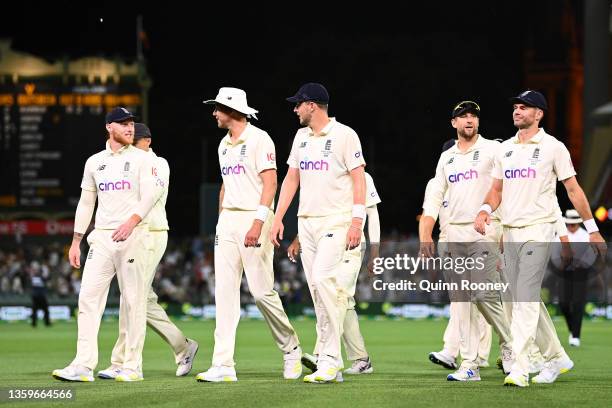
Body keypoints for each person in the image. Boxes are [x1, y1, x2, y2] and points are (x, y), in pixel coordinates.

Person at [474, 90, 607, 387]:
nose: (517, 111)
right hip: (509, 230)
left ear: (539, 114)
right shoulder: (504, 149)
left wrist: (592, 228)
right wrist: (484, 210)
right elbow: (496, 190)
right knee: (514, 299)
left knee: (523, 296)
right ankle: (557, 356)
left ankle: (521, 368)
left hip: (539, 228)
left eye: (525, 108)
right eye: (516, 107)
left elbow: (573, 190)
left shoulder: (553, 147)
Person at [196, 87, 302, 383]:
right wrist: (220, 221)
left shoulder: (259, 139)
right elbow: (225, 186)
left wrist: (257, 223)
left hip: (254, 218)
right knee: (224, 294)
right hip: (228, 221)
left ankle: (291, 349)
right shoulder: (222, 144)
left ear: (231, 110)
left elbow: (271, 183)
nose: (214, 113)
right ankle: (223, 365)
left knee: (260, 292)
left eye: (217, 108)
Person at [52, 107, 160, 382]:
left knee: (133, 302)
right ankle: (83, 365)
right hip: (101, 237)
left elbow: (150, 196)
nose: (129, 127)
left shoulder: (142, 159)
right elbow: (87, 202)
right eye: (123, 123)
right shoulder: (94, 162)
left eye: (131, 123)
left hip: (133, 236)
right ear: (109, 127)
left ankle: (132, 366)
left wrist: (131, 222)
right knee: (87, 298)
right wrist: (76, 240)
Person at [270, 82, 366, 384]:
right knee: (317, 291)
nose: (294, 109)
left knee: (326, 283)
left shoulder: (345, 135)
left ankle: (331, 360)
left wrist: (356, 221)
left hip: (336, 220)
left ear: (312, 105)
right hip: (306, 223)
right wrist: (277, 218)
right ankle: (328, 360)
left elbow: (359, 179)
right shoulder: (300, 137)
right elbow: (291, 180)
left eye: (298, 104)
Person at [420, 100, 514, 382]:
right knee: (461, 304)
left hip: (483, 233)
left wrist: (504, 230)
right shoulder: (446, 158)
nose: (469, 120)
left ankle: (511, 347)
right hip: (453, 237)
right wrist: (426, 233)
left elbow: (504, 189)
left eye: (473, 116)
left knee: (483, 295)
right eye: (463, 116)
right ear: (454, 123)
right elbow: (435, 196)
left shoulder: (493, 150)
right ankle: (469, 364)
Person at [97, 123, 199, 380]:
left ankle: (122, 362)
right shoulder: (130, 162)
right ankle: (183, 346)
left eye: (136, 142)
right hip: (134, 234)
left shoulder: (157, 163)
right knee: (141, 298)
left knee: (131, 297)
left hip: (152, 232)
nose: (131, 148)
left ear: (147, 142)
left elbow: (149, 196)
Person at [289, 171, 381, 376]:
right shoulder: (325, 174)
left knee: (337, 294)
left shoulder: (363, 177)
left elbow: (372, 215)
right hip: (325, 242)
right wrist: (299, 238)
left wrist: (374, 252)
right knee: (343, 301)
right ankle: (361, 359)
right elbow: (317, 215)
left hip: (351, 243)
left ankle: (323, 353)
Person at [426, 139, 492, 371]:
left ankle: (475, 354)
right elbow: (429, 212)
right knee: (460, 302)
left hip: (476, 238)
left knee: (480, 300)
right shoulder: (434, 184)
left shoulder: (473, 180)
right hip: (448, 243)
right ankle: (461, 352)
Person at [551, 209, 597, 347]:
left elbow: (591, 256)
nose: (571, 226)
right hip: (564, 272)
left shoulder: (585, 235)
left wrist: (580, 262)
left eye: (574, 224)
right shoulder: (560, 235)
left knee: (578, 303)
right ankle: (572, 329)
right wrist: (562, 262)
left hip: (580, 273)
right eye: (569, 224)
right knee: (563, 303)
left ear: (578, 223)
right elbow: (554, 254)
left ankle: (576, 335)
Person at [30, 261, 51, 328]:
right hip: (39, 296)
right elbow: (46, 278)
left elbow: (46, 278)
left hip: (38, 296)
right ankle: (36, 323)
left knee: (41, 310)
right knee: (39, 310)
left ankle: (36, 323)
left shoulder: (35, 276)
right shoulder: (37, 277)